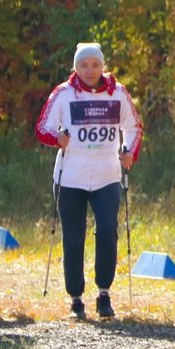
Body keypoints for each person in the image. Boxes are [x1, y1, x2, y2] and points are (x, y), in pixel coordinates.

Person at [35, 42, 143, 319]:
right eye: (84, 65)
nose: (90, 70)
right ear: (75, 67)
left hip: (107, 175)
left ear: (102, 66)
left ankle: (104, 294)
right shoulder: (63, 93)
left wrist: (129, 151)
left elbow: (133, 127)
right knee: (73, 237)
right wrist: (56, 138)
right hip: (71, 177)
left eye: (95, 65)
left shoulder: (118, 93)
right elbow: (42, 127)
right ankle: (76, 298)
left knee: (107, 231)